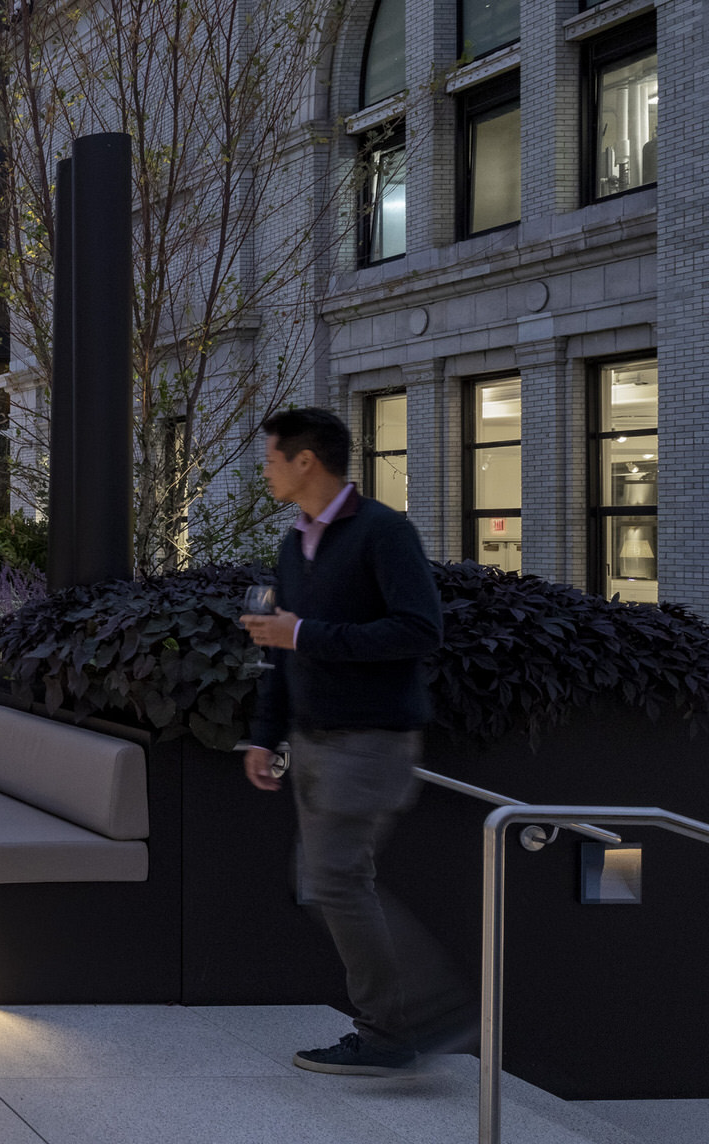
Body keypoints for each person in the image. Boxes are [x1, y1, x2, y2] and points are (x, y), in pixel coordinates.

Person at [239, 406, 468, 1076]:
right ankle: (408, 1019)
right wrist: (264, 736)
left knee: (335, 879)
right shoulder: (295, 543)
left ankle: (404, 1025)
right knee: (323, 880)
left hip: (371, 741)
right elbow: (283, 652)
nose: (267, 470)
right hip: (313, 741)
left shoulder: (384, 532)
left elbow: (419, 631)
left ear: (306, 460)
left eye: (273, 458)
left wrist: (303, 635)